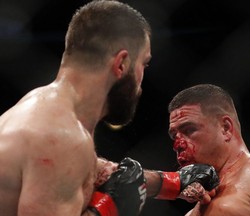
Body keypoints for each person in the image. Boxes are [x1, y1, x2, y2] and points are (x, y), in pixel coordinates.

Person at [0, 1, 219, 216]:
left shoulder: (44, 110)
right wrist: (107, 208)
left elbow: (94, 173)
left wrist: (173, 183)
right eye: (143, 64)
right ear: (122, 64)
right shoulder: (61, 137)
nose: (142, 82)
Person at [168, 83, 250, 216]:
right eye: (174, 136)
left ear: (225, 128)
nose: (178, 145)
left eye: (189, 130)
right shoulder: (193, 211)